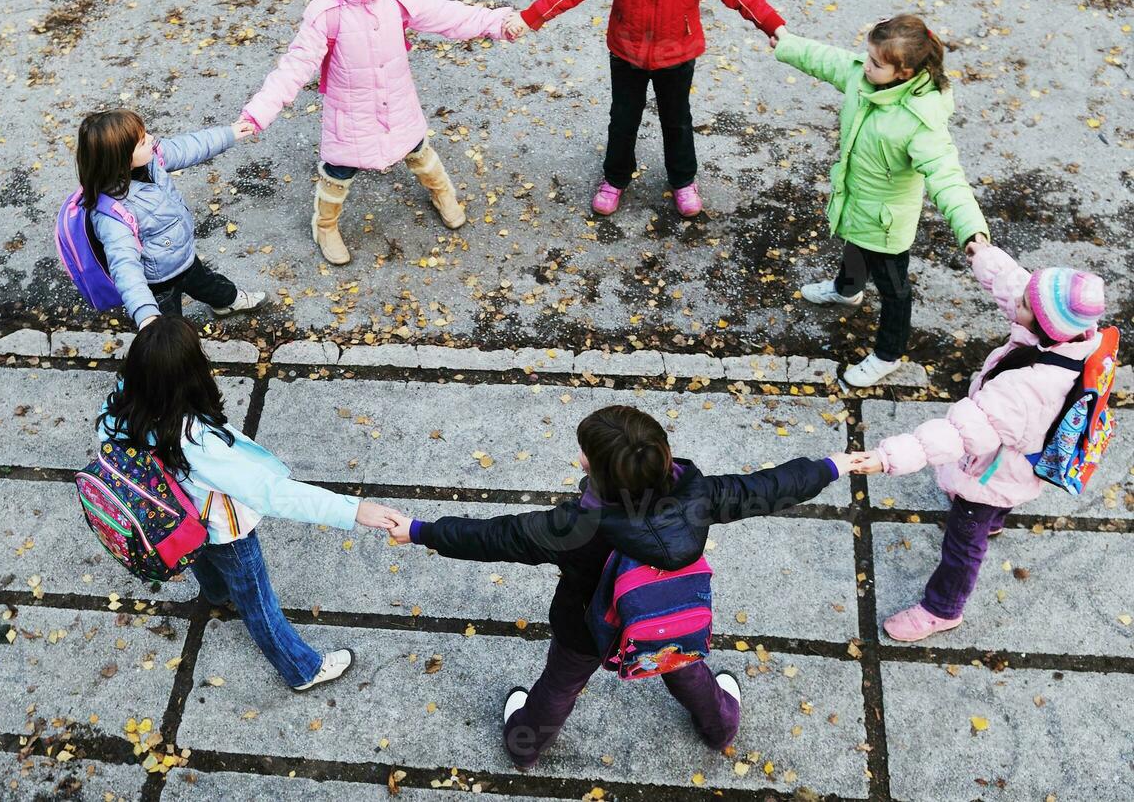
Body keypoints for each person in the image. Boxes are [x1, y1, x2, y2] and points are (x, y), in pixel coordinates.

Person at [388, 404, 871, 769]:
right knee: (684, 669)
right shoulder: (698, 496)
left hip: (588, 627)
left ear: (594, 469)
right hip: (665, 619)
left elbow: (494, 537)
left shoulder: (573, 527)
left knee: (560, 684)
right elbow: (768, 487)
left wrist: (419, 530)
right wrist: (831, 465)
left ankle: (525, 748)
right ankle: (720, 728)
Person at [97, 316, 404, 689]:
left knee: (203, 558)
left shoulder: (122, 405)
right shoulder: (197, 442)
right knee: (260, 606)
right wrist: (353, 509)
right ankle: (302, 669)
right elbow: (272, 493)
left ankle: (216, 593)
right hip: (225, 530)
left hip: (177, 519)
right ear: (191, 374)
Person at [863, 240, 1106, 640]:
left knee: (963, 546)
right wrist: (985, 254)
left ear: (1044, 324)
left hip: (990, 476)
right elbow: (1018, 287)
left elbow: (960, 432)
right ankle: (995, 521)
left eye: (1026, 306)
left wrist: (888, 457)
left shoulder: (1026, 388)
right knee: (998, 500)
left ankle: (942, 608)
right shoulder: (1072, 335)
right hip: (1018, 462)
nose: (1018, 305)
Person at [504, 0, 785, 218]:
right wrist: (531, 17)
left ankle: (683, 180)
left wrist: (772, 25)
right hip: (627, 51)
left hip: (676, 54)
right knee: (622, 119)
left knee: (677, 119)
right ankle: (615, 178)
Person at [241, 0, 512, 265]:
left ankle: (443, 194)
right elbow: (295, 65)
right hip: (350, 112)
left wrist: (499, 22)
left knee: (416, 148)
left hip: (396, 102)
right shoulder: (326, 13)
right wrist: (258, 112)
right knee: (339, 170)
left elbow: (450, 15)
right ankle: (325, 226)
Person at [772, 14, 991, 387]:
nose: (865, 65)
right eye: (868, 57)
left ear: (904, 73)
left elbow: (947, 177)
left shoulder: (920, 123)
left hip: (888, 224)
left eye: (875, 63)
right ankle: (847, 291)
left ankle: (888, 354)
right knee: (854, 249)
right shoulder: (866, 77)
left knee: (894, 289)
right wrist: (788, 44)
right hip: (857, 202)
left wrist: (971, 229)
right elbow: (828, 60)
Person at [75, 108, 265, 328]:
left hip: (183, 257)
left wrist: (228, 133)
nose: (151, 139)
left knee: (209, 284)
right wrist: (145, 314)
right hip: (158, 284)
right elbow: (124, 266)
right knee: (171, 325)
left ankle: (227, 302)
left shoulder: (152, 158)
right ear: (122, 158)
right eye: (142, 141)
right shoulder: (112, 214)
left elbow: (188, 147)